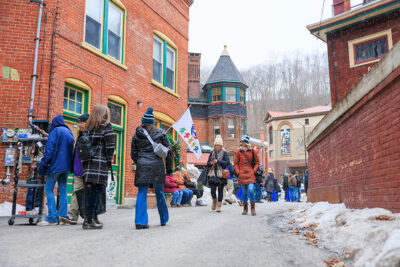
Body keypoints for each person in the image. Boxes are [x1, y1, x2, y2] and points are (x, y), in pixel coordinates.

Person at [131, 107, 172, 229]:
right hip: (157, 166)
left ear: (142, 122)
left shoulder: (136, 135)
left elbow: (133, 153)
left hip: (142, 164)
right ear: (153, 123)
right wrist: (169, 170)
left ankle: (140, 221)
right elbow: (168, 152)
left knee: (142, 192)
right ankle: (164, 219)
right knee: (159, 192)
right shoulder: (161, 133)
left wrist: (139, 163)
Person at [81, 104, 116, 230]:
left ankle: (92, 216)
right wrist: (108, 161)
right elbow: (110, 148)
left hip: (88, 163)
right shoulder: (107, 127)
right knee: (96, 192)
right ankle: (89, 219)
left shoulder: (88, 128)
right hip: (100, 164)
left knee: (90, 191)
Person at [38, 115, 75, 226]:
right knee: (63, 189)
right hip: (67, 167)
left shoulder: (55, 131)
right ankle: (62, 215)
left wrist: (43, 165)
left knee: (49, 189)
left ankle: (52, 217)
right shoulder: (69, 132)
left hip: (55, 166)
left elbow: (49, 151)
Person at [62, 113, 90, 225]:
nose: (79, 125)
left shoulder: (91, 135)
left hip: (87, 169)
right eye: (78, 122)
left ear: (87, 123)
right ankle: (72, 216)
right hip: (78, 169)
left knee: (88, 193)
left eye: (81, 122)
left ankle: (89, 216)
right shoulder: (80, 134)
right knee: (76, 191)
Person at [234, 134, 260, 216]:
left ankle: (252, 208)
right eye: (241, 142)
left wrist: (254, 171)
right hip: (242, 175)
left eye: (243, 142)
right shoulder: (238, 151)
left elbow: (257, 163)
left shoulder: (253, 151)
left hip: (250, 174)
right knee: (244, 193)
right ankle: (245, 208)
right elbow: (235, 163)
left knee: (251, 190)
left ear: (246, 142)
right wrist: (238, 172)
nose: (241, 143)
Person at [207, 135, 230, 212]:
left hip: (221, 174)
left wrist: (218, 161)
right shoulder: (212, 153)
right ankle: (214, 201)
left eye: (218, 145)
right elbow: (207, 163)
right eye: (215, 145)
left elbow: (227, 163)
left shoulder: (225, 153)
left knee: (220, 190)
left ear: (221, 145)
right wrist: (211, 163)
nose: (216, 146)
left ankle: (219, 205)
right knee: (212, 190)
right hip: (213, 173)